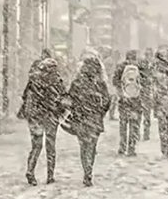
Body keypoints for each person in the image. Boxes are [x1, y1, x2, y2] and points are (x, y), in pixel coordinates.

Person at [19, 56, 65, 185]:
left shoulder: (33, 80)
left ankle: (30, 171)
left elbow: (25, 96)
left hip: (35, 116)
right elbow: (62, 97)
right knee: (50, 146)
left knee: (36, 146)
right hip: (50, 115)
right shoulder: (56, 80)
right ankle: (50, 176)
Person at [67, 57, 111, 186]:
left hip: (81, 118)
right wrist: (101, 112)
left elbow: (70, 99)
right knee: (92, 146)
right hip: (94, 118)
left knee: (83, 146)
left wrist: (75, 111)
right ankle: (89, 170)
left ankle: (86, 169)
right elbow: (107, 101)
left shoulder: (77, 82)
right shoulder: (100, 83)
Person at [113, 50, 142, 155]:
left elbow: (115, 81)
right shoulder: (140, 67)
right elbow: (145, 83)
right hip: (136, 100)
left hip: (124, 100)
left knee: (123, 123)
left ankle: (122, 145)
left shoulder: (121, 66)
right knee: (134, 123)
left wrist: (121, 93)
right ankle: (132, 147)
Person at [138, 47, 155, 141]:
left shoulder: (153, 65)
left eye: (149, 54)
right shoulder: (141, 64)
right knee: (140, 114)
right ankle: (138, 132)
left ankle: (146, 132)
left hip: (147, 93)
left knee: (146, 115)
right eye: (147, 54)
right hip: (142, 92)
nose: (148, 56)